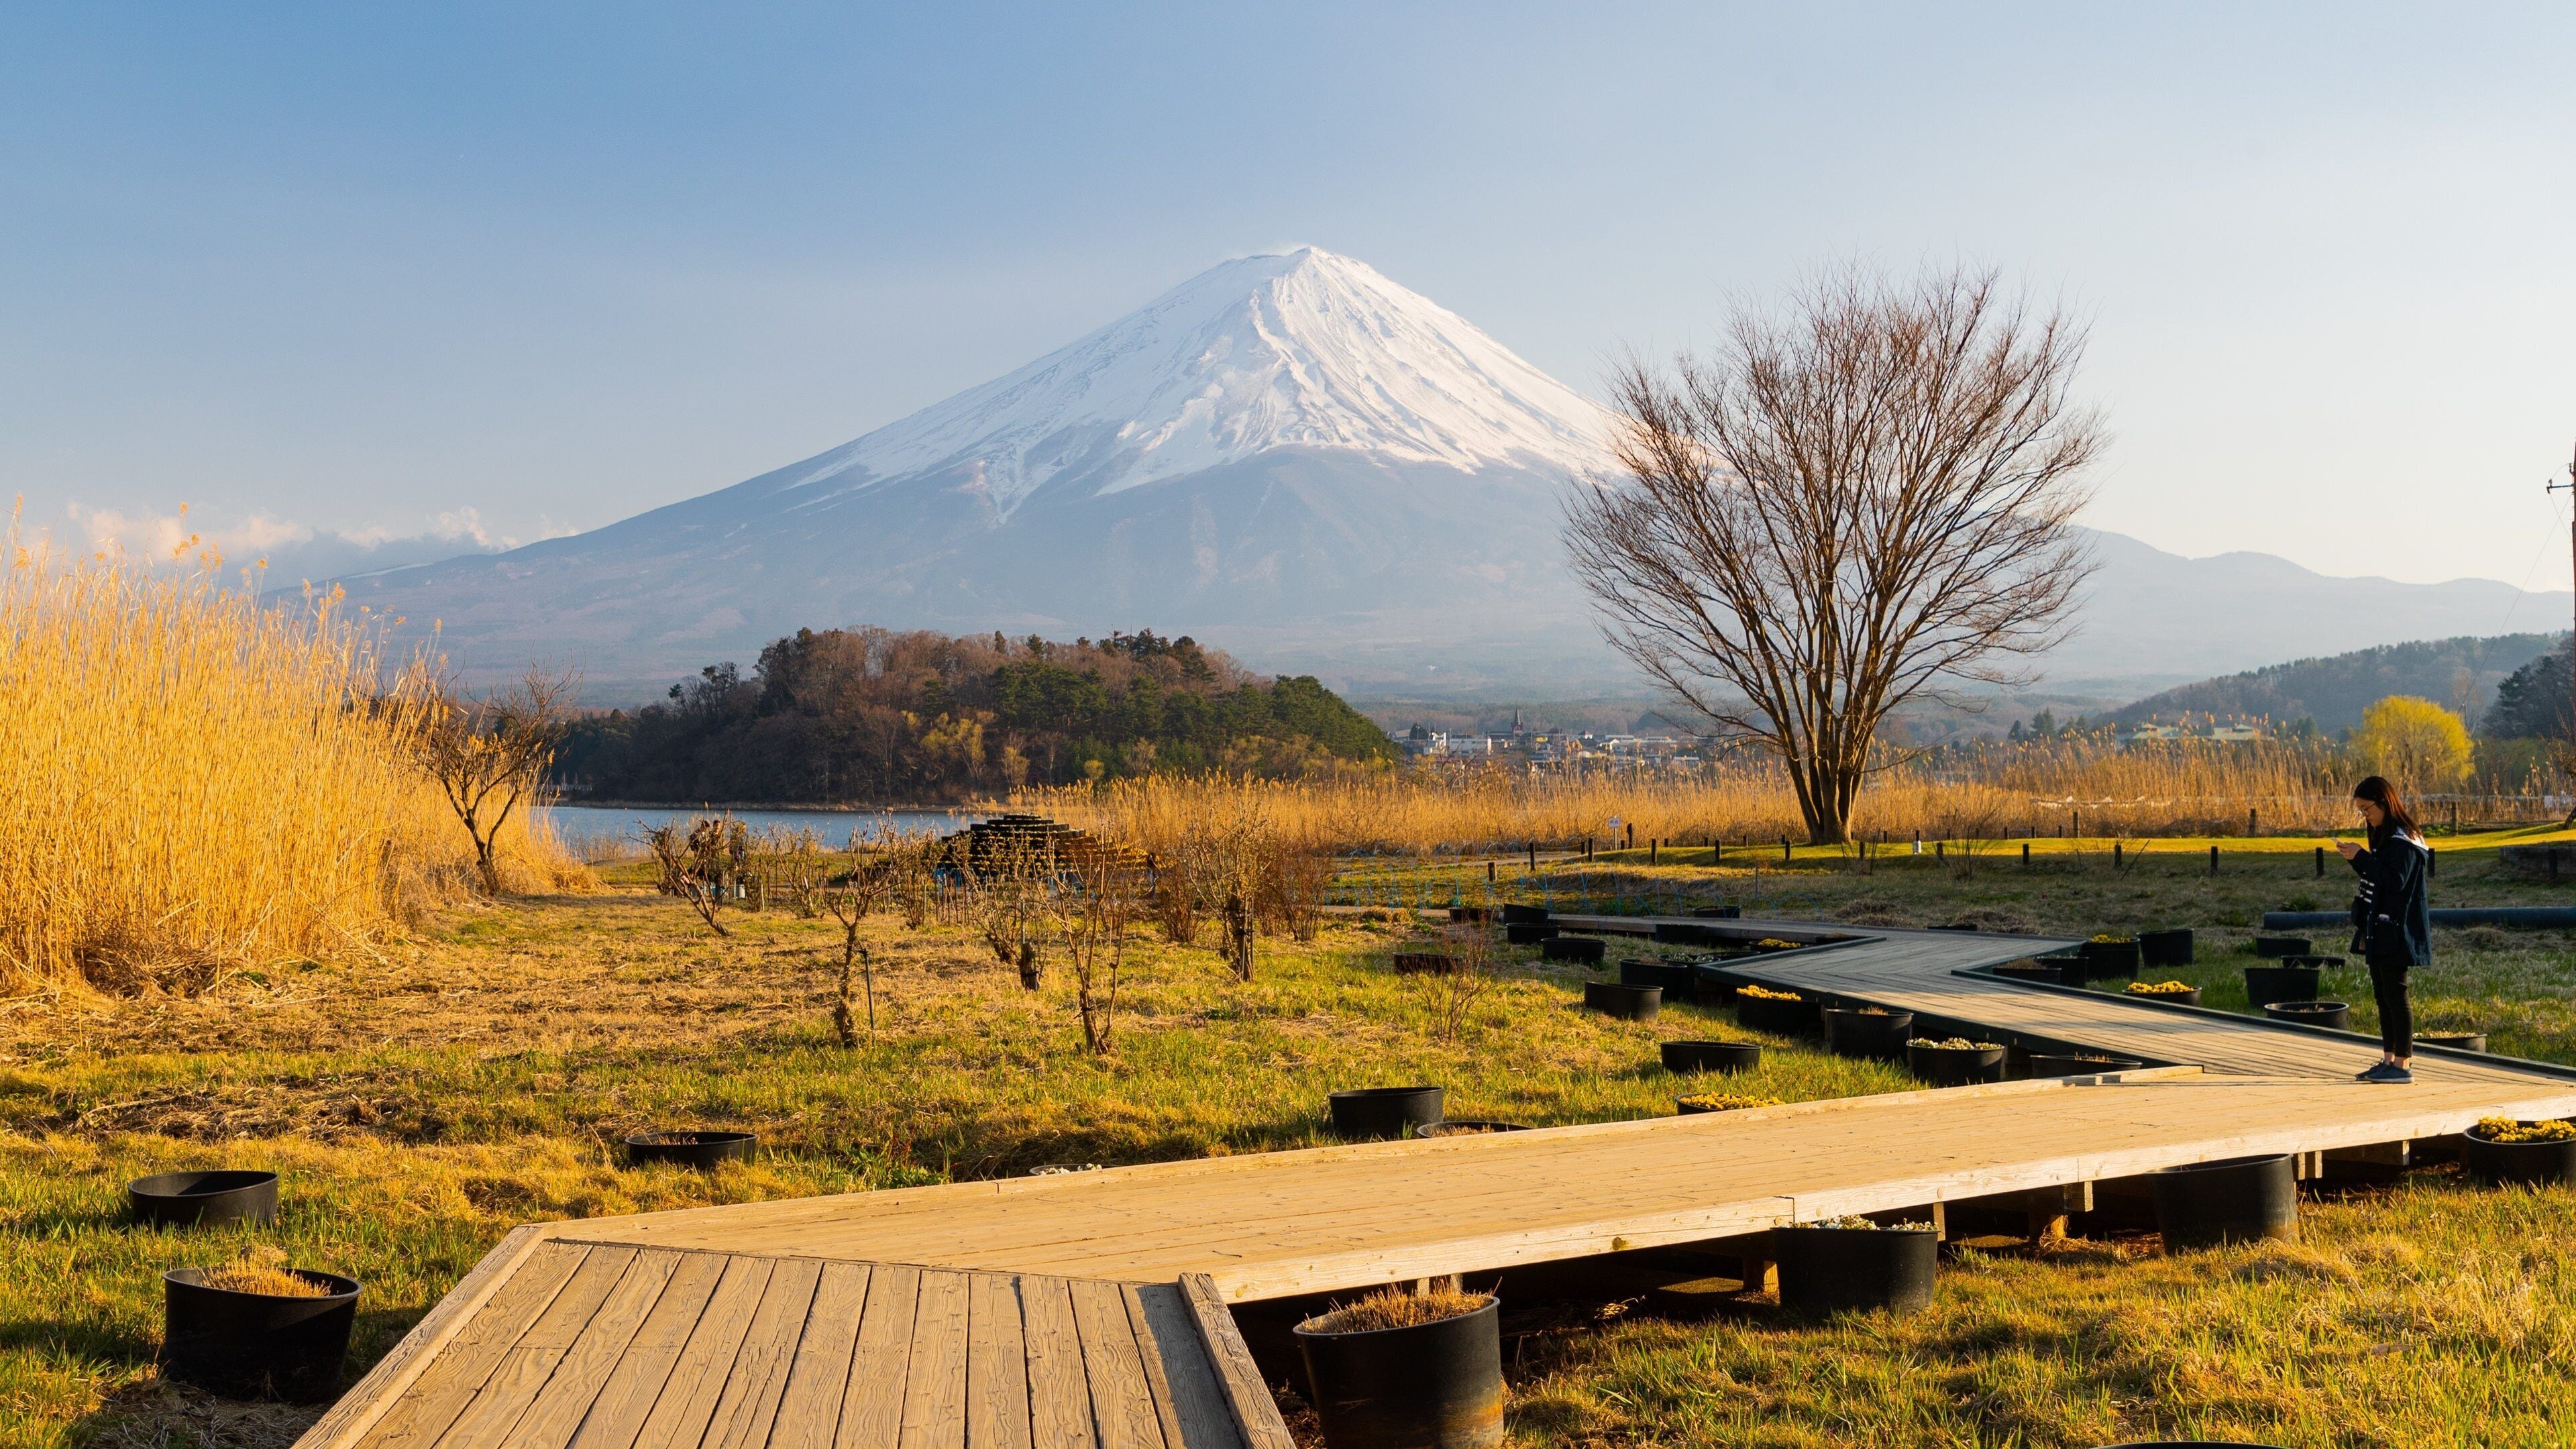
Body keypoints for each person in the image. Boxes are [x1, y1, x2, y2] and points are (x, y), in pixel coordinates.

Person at [2333, 775, 2432, 1083]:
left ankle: (2402, 1065)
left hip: (2397, 928)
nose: (2365, 816)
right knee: (2382, 994)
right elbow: (2380, 876)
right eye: (2360, 811)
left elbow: (2395, 881)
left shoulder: (2404, 839)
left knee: (2396, 994)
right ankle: (2389, 1058)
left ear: (2384, 803)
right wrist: (2357, 859)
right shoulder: (2387, 835)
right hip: (2379, 926)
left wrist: (2362, 856)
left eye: (2367, 809)